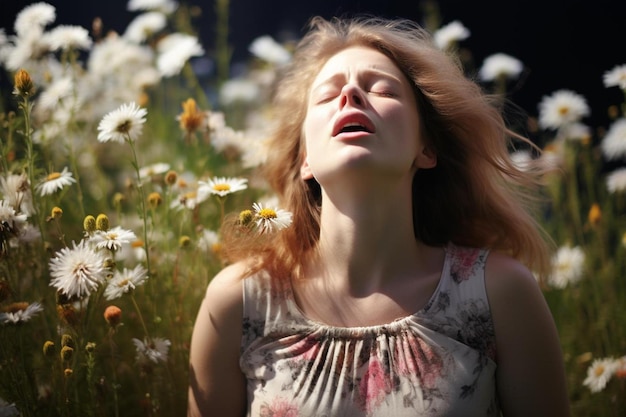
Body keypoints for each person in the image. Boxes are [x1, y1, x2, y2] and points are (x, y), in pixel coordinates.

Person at [187, 16, 570, 417]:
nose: (350, 93)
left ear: (427, 149)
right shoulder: (239, 302)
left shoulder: (499, 293)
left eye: (382, 89)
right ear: (305, 161)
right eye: (326, 95)